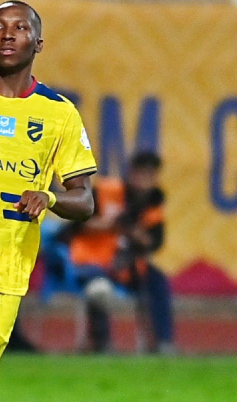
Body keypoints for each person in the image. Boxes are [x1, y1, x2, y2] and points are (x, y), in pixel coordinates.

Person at [0, 1, 97, 402]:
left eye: (20, 28)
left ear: (38, 43)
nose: (8, 35)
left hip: (10, 269)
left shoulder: (59, 114)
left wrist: (48, 197)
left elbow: (84, 200)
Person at [67, 151, 174, 353]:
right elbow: (74, 225)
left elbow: (154, 243)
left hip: (125, 265)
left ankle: (163, 343)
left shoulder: (152, 203)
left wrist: (134, 232)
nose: (144, 180)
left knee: (157, 280)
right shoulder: (105, 191)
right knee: (99, 289)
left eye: (150, 175)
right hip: (91, 261)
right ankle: (101, 344)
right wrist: (108, 224)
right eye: (141, 173)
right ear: (131, 172)